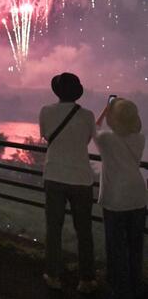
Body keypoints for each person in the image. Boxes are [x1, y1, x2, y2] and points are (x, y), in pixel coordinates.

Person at [39, 72, 97, 294]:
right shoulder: (88, 115)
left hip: (54, 175)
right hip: (82, 178)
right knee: (84, 230)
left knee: (53, 228)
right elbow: (87, 140)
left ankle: (53, 274)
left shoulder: (46, 111)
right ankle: (87, 279)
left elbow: (45, 135)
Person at [95, 97, 146, 299]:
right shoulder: (140, 138)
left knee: (116, 245)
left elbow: (94, 127)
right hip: (138, 196)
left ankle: (119, 287)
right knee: (135, 245)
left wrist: (105, 109)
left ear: (113, 119)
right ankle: (136, 285)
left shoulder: (106, 139)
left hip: (115, 198)